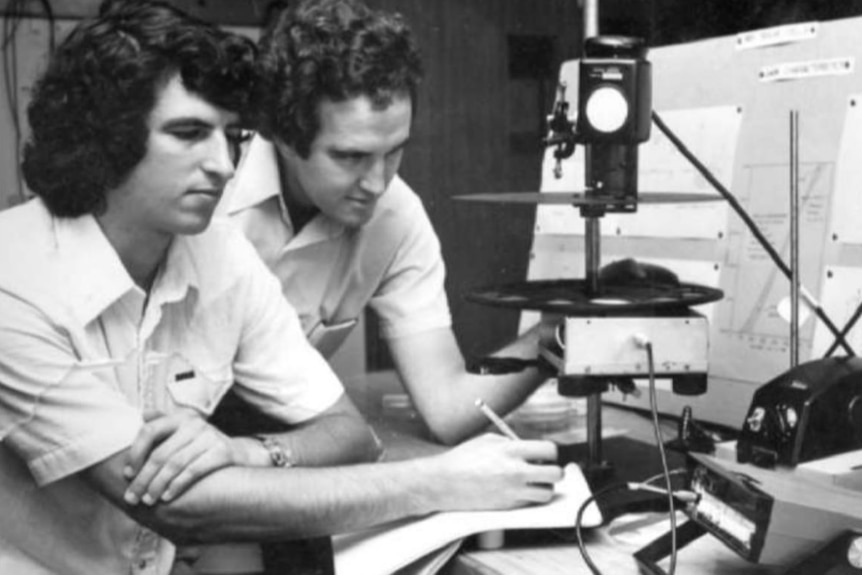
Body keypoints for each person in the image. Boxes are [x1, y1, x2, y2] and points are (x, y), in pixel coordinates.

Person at [0, 2, 563, 574]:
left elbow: (354, 432)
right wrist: (437, 483)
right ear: (107, 138)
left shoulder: (217, 252)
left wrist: (249, 451)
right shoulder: (13, 281)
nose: (223, 165)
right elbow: (178, 506)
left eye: (231, 136)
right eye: (189, 133)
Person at [220, 0, 553, 447]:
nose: (377, 183)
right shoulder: (210, 192)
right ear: (283, 136)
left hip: (279, 452)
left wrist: (557, 334)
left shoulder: (397, 217)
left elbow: (448, 407)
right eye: (350, 157)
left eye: (394, 151)